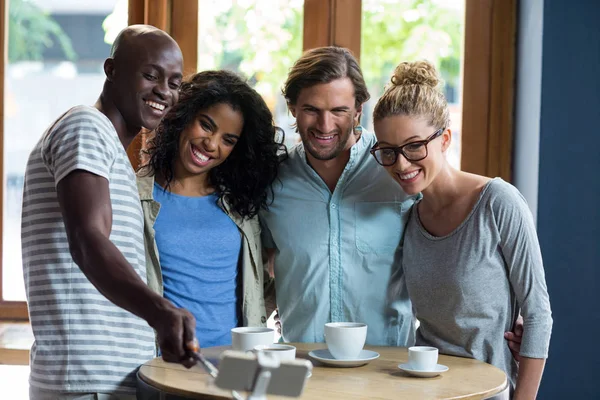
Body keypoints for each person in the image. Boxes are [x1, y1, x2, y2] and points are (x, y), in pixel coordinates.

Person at [260, 46, 525, 354]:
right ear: (292, 107)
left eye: (339, 111)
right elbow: (263, 269)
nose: (325, 125)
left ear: (359, 109)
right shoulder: (273, 184)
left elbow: (454, 252)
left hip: (388, 370)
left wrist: (507, 314)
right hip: (302, 367)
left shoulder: (400, 172)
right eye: (311, 109)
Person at [21, 25, 196, 400]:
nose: (164, 90)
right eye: (150, 75)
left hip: (107, 381)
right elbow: (88, 240)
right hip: (86, 383)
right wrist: (160, 311)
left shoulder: (114, 156)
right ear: (111, 70)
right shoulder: (86, 126)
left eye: (175, 82)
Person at [370, 60, 552, 398]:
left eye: (414, 146)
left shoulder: (498, 202)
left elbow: (538, 314)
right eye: (389, 151)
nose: (402, 164)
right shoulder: (408, 215)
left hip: (488, 391)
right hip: (422, 390)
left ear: (445, 139)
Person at [137, 70, 282, 349]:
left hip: (235, 366)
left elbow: (258, 285)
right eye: (206, 125)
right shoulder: (136, 196)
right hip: (164, 363)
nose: (212, 144)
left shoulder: (240, 206)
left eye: (228, 140)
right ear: (182, 115)